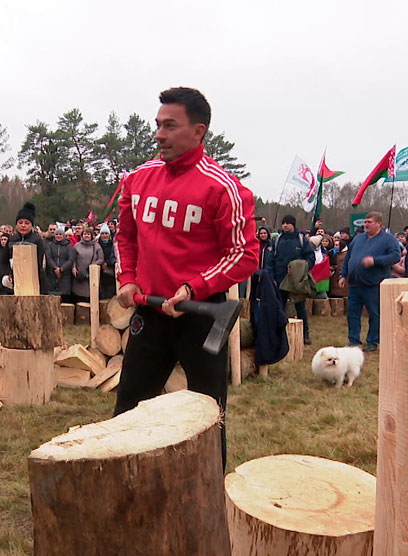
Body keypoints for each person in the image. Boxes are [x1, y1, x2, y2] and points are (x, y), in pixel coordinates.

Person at [114, 87, 260, 469]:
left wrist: (194, 287)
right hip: (151, 312)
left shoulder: (223, 188)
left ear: (198, 132)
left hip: (200, 315)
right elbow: (125, 236)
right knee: (129, 407)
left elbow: (245, 255)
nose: (159, 134)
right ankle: (123, 484)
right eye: (158, 124)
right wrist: (128, 277)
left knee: (207, 413)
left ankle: (209, 488)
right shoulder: (139, 178)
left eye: (170, 125)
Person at [338, 211, 401, 351]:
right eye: (365, 222)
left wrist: (375, 261)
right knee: (352, 313)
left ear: (379, 224)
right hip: (354, 283)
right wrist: (343, 275)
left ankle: (372, 341)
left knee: (374, 314)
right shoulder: (358, 239)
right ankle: (353, 340)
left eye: (369, 222)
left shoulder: (388, 239)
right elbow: (349, 256)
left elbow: (396, 256)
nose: (366, 224)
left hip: (374, 284)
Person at [267, 214, 314, 344]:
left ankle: (305, 335)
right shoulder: (277, 240)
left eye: (287, 223)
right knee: (280, 308)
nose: (285, 225)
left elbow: (310, 258)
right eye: (283, 223)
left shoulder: (302, 240)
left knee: (300, 308)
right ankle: (280, 334)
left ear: (293, 225)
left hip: (296, 281)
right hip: (280, 279)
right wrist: (271, 277)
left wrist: (300, 269)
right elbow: (270, 260)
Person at [71, 227, 104, 302]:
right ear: (82, 235)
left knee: (91, 295)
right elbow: (73, 258)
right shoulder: (77, 246)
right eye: (85, 234)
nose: (86, 236)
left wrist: (92, 266)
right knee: (79, 297)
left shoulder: (97, 246)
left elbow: (101, 259)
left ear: (91, 235)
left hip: (92, 274)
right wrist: (73, 267)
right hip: (79, 273)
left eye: (88, 234)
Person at [44, 226, 75, 301]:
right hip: (52, 273)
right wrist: (55, 268)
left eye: (60, 234)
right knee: (52, 296)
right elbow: (49, 257)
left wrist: (62, 269)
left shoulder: (68, 246)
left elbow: (71, 259)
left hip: (65, 273)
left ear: (63, 235)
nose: (58, 236)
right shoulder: (50, 245)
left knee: (64, 296)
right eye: (57, 234)